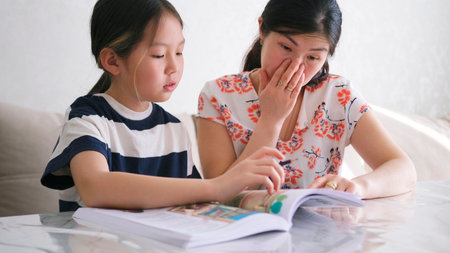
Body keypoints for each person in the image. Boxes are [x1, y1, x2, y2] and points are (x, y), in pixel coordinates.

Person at [41, 0, 285, 212]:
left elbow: (192, 204)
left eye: (179, 52)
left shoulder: (173, 129)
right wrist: (216, 186)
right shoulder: (86, 117)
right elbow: (95, 187)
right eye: (159, 55)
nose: (174, 67)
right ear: (113, 61)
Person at [196, 0, 416, 199]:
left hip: (321, 234)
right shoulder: (219, 95)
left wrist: (357, 187)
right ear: (262, 30)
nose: (295, 67)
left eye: (312, 58)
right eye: (286, 48)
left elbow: (403, 169)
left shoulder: (338, 95)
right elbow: (219, 194)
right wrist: (270, 121)